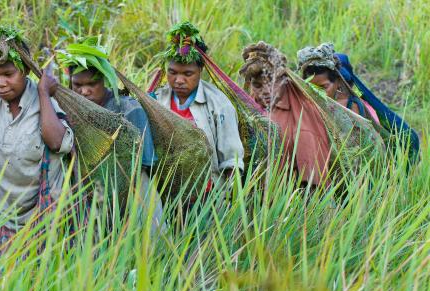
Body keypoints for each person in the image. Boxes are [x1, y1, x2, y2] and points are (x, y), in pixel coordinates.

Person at [0, 27, 74, 256]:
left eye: (8, 75)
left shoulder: (44, 103)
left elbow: (58, 143)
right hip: (7, 226)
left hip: (49, 221)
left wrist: (43, 95)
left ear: (26, 71)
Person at [58, 41, 164, 234]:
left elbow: (144, 164)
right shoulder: (67, 111)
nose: (84, 91)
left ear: (105, 80)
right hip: (88, 194)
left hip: (133, 191)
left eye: (92, 84)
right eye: (78, 85)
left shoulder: (129, 109)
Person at [151, 22, 244, 186]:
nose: (179, 80)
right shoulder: (157, 99)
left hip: (207, 194)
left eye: (188, 74)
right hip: (166, 191)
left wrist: (231, 198)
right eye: (172, 72)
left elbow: (232, 160)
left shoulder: (219, 104)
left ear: (200, 71)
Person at [298, 43, 419, 161]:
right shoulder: (307, 103)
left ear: (338, 82)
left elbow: (363, 148)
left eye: (323, 87)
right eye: (312, 87)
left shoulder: (352, 107)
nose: (317, 93)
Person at [240, 41, 331, 186]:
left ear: (284, 80)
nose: (265, 91)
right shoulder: (246, 107)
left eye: (271, 82)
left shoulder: (303, 112)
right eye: (257, 85)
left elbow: (312, 172)